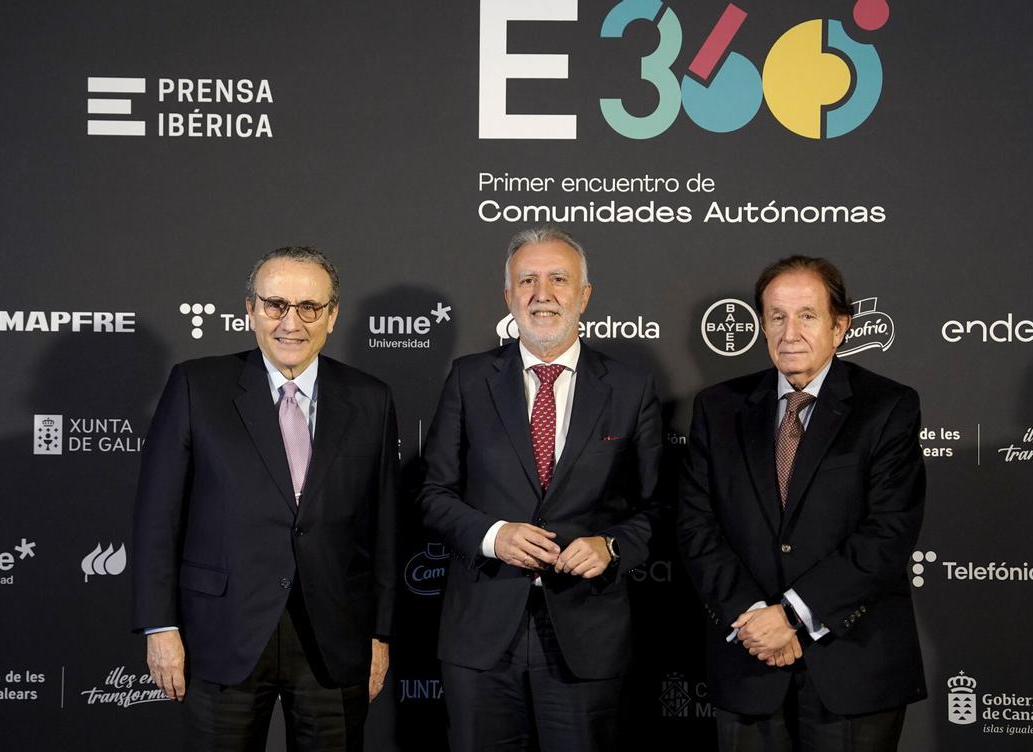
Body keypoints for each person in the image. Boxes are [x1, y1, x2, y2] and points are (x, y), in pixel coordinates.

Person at [131, 246, 399, 751]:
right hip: (221, 631)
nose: (290, 322)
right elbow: (156, 518)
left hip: (334, 635)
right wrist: (159, 625)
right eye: (275, 305)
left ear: (333, 315)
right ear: (250, 309)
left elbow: (383, 527)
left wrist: (379, 635)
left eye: (309, 307)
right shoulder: (196, 386)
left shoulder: (370, 398)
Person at [419, 226, 665, 751]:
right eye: (526, 280)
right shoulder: (467, 379)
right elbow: (433, 494)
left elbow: (657, 506)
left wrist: (610, 546)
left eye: (558, 279)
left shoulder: (630, 386)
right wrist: (492, 535)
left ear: (584, 295)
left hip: (586, 634)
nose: (542, 293)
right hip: (482, 634)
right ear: (508, 296)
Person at [677, 256, 926, 752]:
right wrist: (754, 618)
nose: (790, 333)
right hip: (748, 663)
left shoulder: (888, 407)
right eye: (776, 317)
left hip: (852, 667)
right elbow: (696, 526)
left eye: (807, 316)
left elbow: (889, 532)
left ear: (839, 326)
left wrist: (791, 615)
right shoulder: (717, 408)